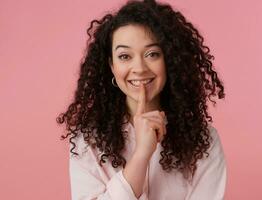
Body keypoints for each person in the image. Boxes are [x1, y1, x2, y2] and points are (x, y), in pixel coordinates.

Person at [56, 0, 227, 199]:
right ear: (112, 66)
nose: (139, 68)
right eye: (124, 56)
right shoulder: (87, 140)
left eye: (152, 54)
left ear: (169, 60)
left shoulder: (204, 141)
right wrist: (142, 154)